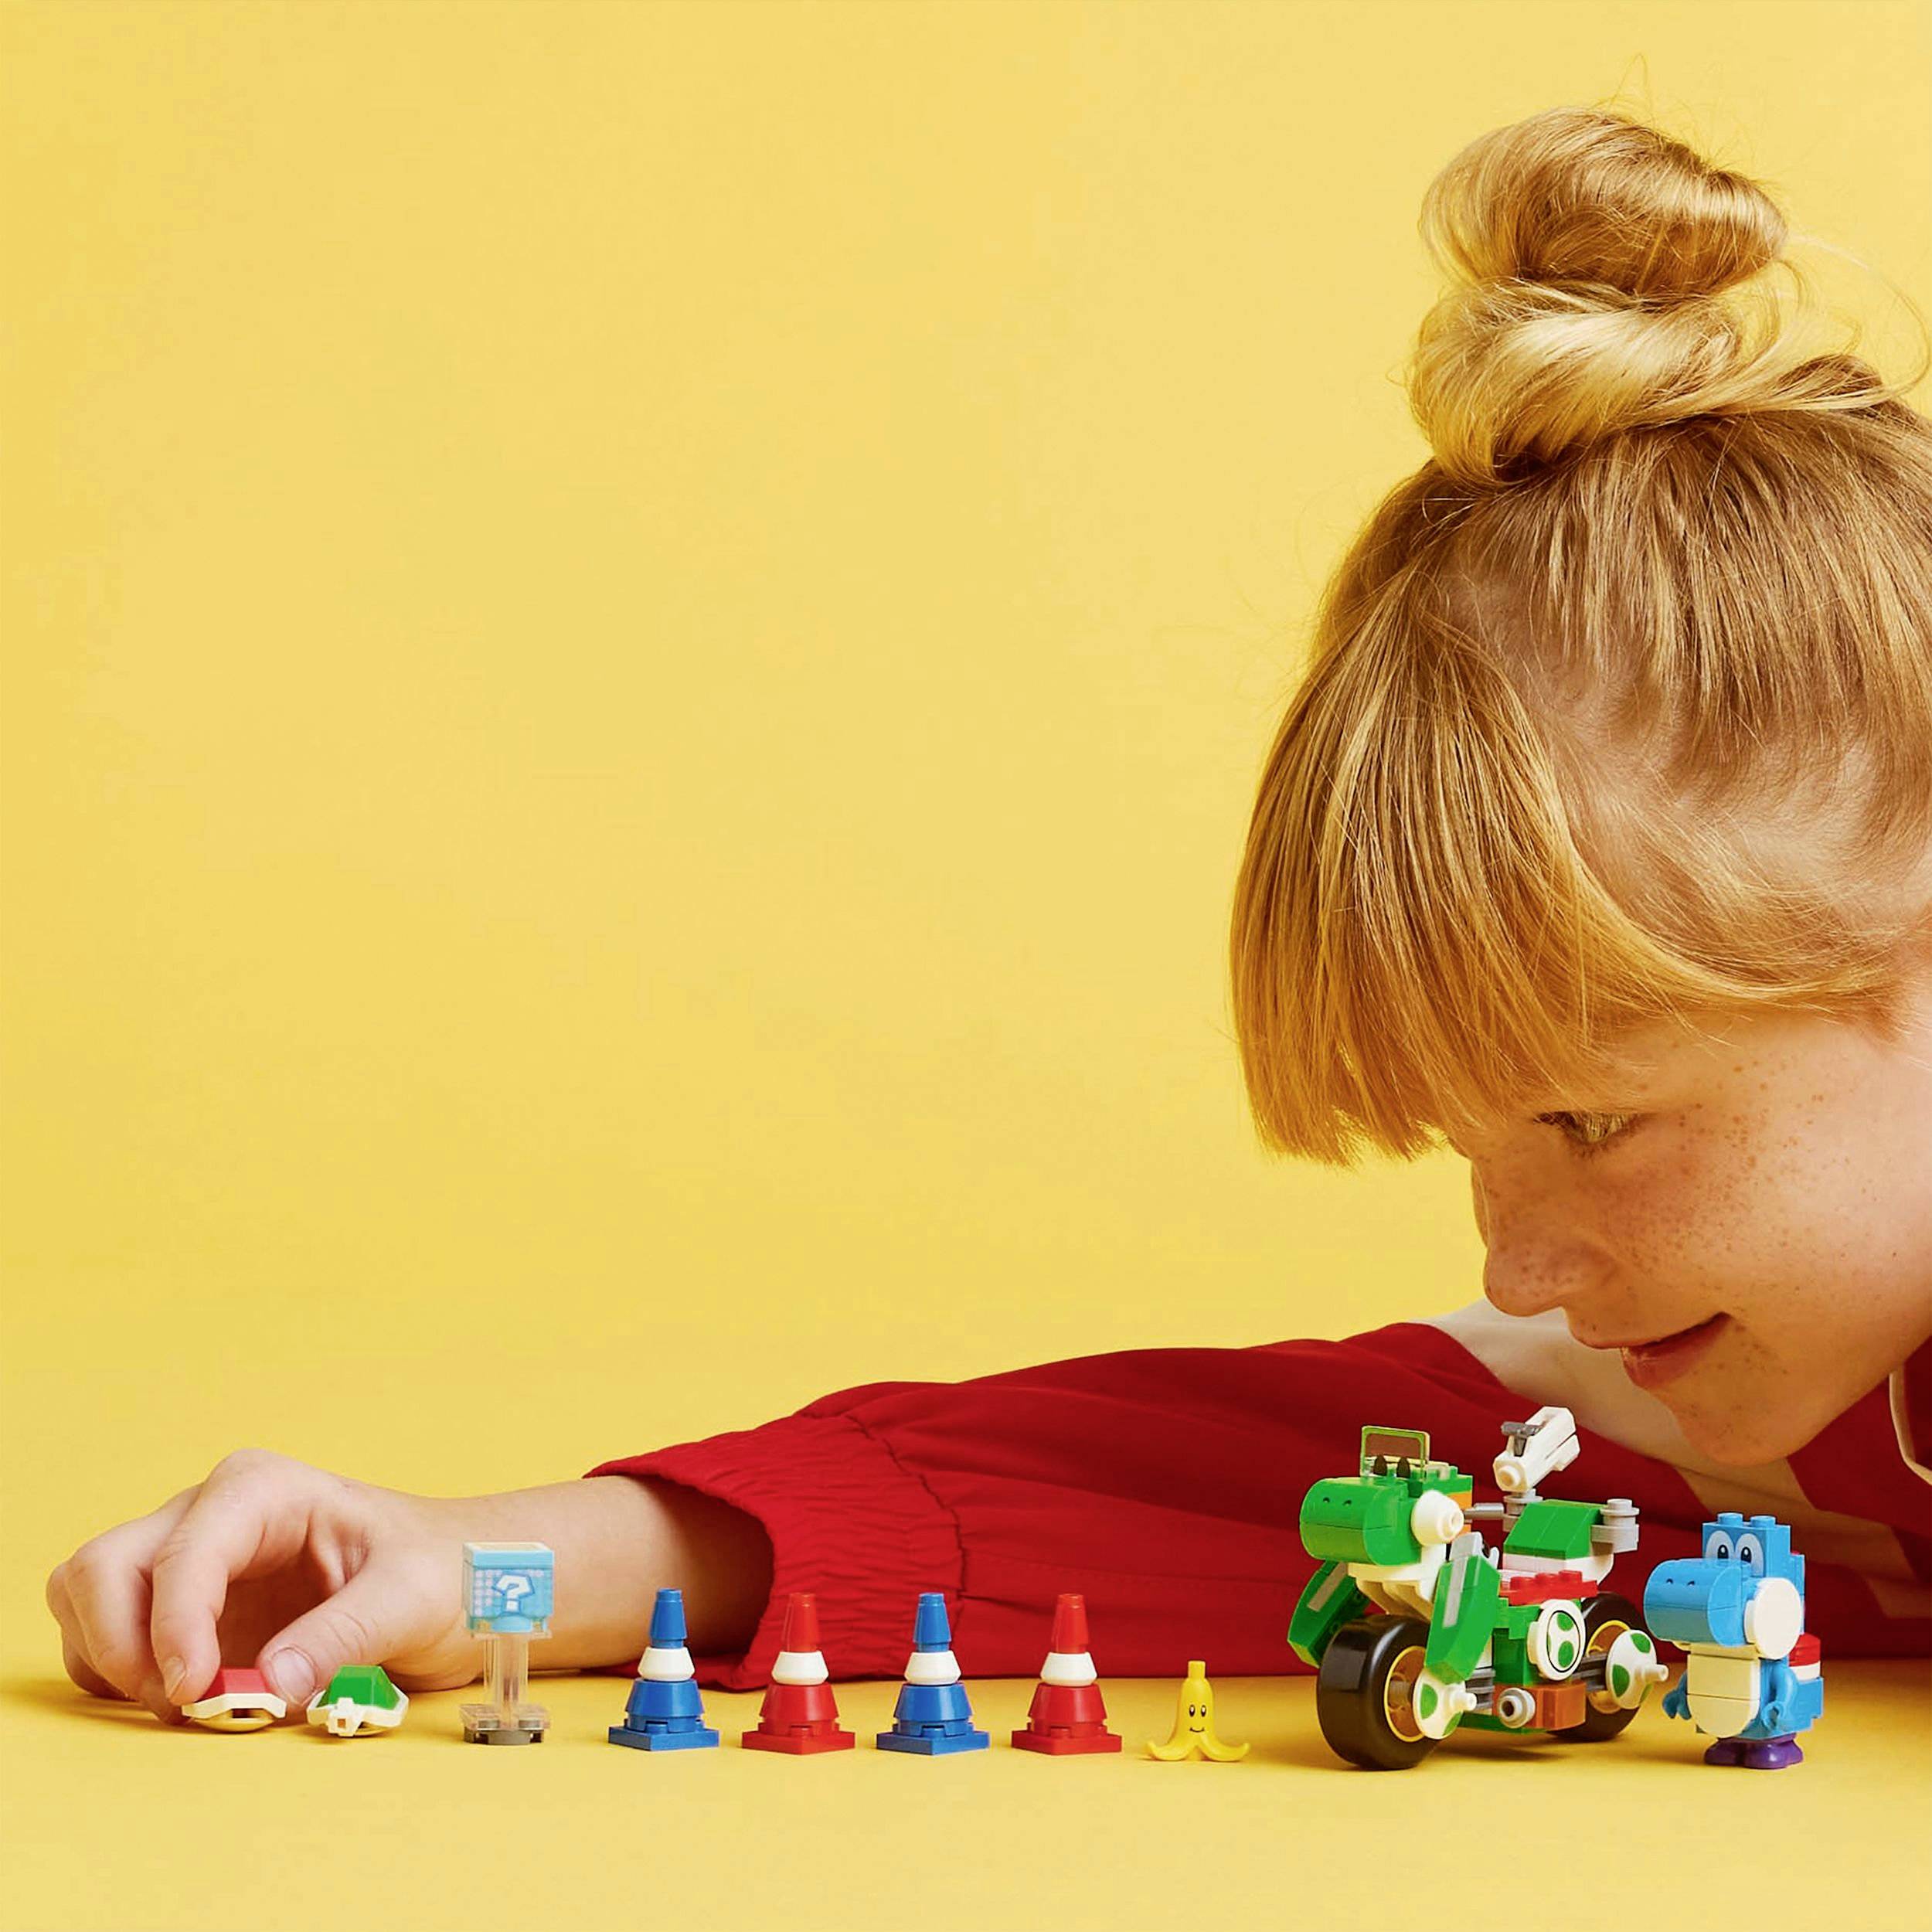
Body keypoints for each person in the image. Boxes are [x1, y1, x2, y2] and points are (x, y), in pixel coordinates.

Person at [46, 104, 1932, 1725]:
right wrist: (485, 1567)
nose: (1519, 1265)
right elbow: (1174, 1491)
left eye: (1593, 1120)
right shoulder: (1752, 1368)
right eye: (1478, 1142)